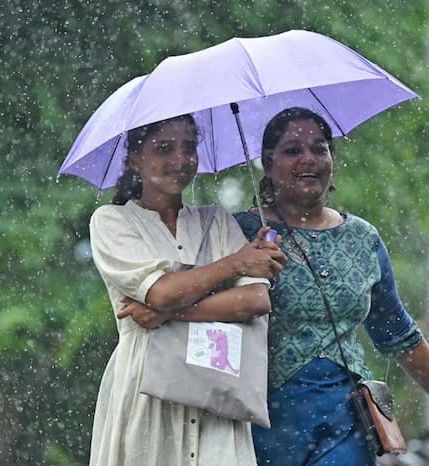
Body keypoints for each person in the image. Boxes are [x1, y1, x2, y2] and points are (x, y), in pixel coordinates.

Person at [232, 107, 429, 465]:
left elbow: (396, 331)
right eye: (293, 150)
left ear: (333, 159)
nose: (308, 158)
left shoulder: (362, 238)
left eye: (320, 148)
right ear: (268, 163)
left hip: (345, 422)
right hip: (260, 421)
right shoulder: (238, 234)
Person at [87, 114, 286, 466]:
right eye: (164, 148)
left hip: (218, 391)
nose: (180, 159)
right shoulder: (111, 221)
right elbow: (161, 291)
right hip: (147, 395)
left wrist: (169, 313)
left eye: (189, 147)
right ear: (134, 158)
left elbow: (255, 299)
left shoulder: (216, 221)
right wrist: (236, 263)